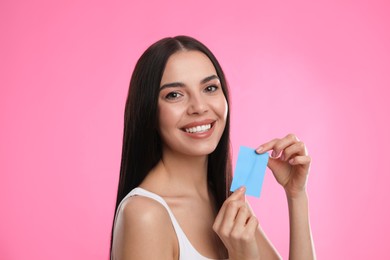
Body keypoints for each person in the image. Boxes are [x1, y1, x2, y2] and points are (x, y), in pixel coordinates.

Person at [110, 35, 316, 260]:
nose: (199, 107)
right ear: (148, 110)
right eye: (174, 95)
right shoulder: (144, 215)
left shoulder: (225, 199)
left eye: (209, 88)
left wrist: (296, 196)